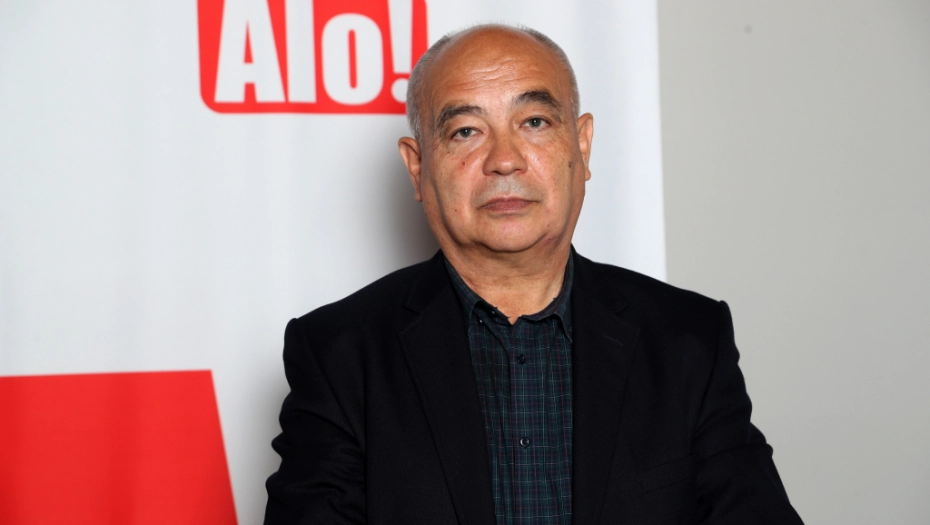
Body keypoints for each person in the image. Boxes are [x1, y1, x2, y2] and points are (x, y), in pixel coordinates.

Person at [264, 24, 803, 525]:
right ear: (418, 166)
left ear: (582, 146)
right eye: (466, 131)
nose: (505, 159)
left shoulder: (688, 339)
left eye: (535, 123)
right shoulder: (338, 355)